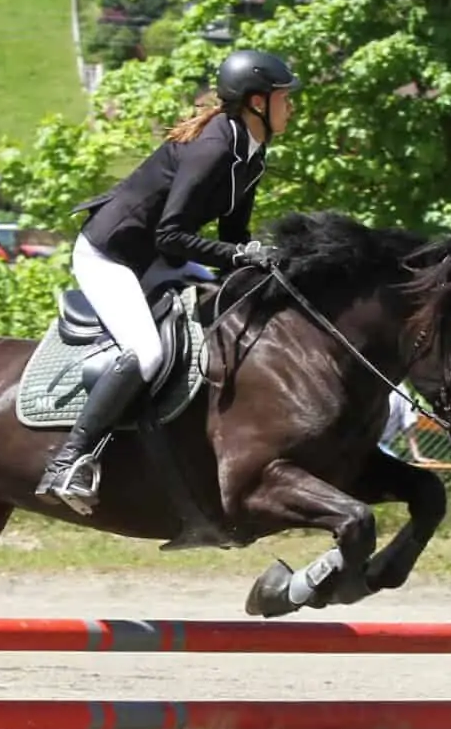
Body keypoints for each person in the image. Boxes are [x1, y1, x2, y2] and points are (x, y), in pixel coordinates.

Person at [35, 49, 302, 513]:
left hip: (159, 255)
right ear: (258, 102)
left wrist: (259, 265)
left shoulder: (251, 153)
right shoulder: (216, 147)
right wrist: (241, 255)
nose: (292, 106)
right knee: (149, 352)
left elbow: (232, 236)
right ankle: (68, 462)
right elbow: (172, 233)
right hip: (111, 256)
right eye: (285, 97)